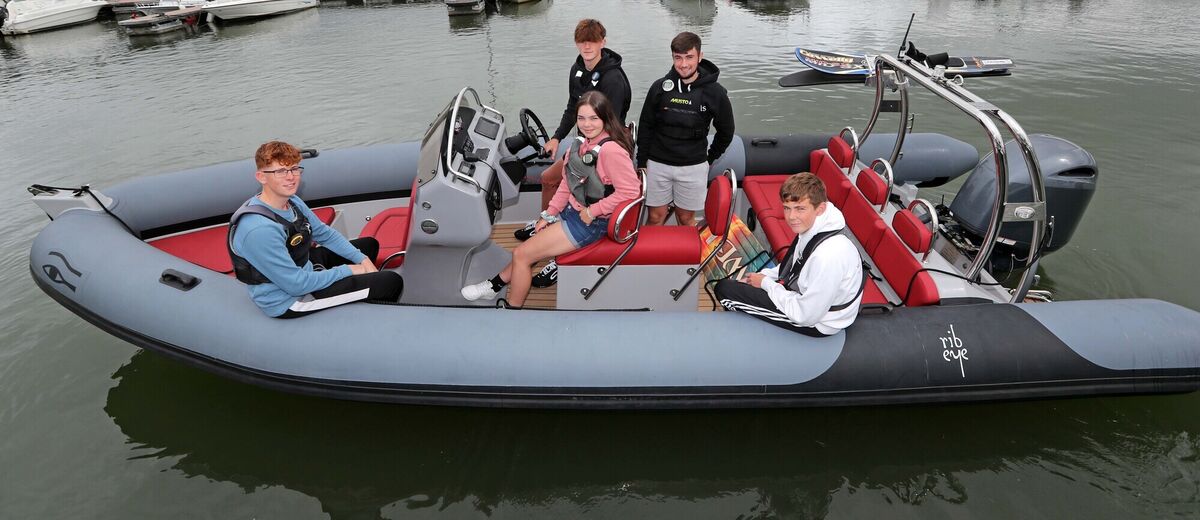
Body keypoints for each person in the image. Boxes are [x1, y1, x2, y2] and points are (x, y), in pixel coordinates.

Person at [463, 91, 640, 308]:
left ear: (605, 118)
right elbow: (567, 184)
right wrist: (549, 214)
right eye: (581, 118)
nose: (587, 124)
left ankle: (512, 311)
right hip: (573, 212)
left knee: (521, 255)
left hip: (591, 222)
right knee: (530, 249)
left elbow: (631, 191)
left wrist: (593, 211)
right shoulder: (580, 145)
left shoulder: (611, 151)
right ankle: (494, 286)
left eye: (594, 118)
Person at [514, 18, 632, 288]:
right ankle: (548, 221)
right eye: (582, 42)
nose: (587, 47)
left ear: (603, 42)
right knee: (548, 177)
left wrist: (587, 161)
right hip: (583, 144)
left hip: (604, 149)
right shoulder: (577, 69)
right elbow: (572, 107)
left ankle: (561, 257)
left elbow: (610, 123)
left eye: (592, 41)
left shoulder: (613, 79)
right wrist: (557, 137)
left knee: (578, 190)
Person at [228, 141, 403, 318]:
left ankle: (359, 295)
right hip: (290, 299)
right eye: (280, 171)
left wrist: (362, 260)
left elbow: (324, 234)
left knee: (368, 246)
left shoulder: (292, 201)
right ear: (261, 177)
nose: (291, 177)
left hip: (304, 268)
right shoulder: (259, 229)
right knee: (390, 282)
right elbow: (296, 285)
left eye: (294, 169)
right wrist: (349, 270)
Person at [714, 173, 865, 337]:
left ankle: (745, 338)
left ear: (820, 209)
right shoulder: (816, 227)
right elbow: (793, 267)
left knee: (725, 290)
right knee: (740, 286)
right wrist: (761, 277)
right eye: (787, 208)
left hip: (820, 322)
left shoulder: (828, 256)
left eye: (800, 209)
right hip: (807, 302)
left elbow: (805, 315)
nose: (791, 217)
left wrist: (765, 283)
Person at [636, 31, 734, 227]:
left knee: (685, 218)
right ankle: (653, 248)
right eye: (678, 58)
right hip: (658, 164)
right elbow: (646, 125)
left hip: (693, 166)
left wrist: (709, 159)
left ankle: (689, 248)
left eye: (689, 57)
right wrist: (642, 161)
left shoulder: (715, 93)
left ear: (700, 56)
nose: (683, 64)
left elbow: (726, 131)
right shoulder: (659, 88)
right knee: (655, 217)